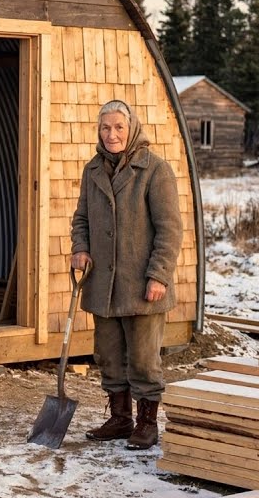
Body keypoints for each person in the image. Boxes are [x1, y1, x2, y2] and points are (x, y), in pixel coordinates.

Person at [70, 101, 182, 450]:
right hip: (104, 284)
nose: (111, 134)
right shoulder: (93, 171)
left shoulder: (154, 170)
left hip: (142, 283)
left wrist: (159, 275)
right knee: (109, 355)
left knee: (144, 359)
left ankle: (147, 423)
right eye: (105, 127)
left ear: (131, 128)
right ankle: (120, 419)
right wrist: (80, 246)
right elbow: (82, 218)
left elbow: (170, 230)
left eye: (118, 127)